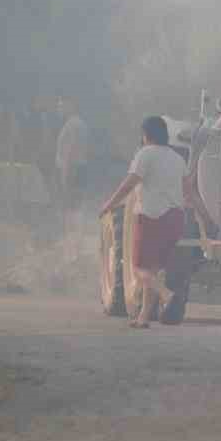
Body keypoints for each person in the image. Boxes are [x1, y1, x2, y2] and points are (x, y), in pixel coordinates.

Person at [101, 115, 188, 328]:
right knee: (153, 270)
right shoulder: (178, 159)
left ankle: (168, 296)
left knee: (139, 268)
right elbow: (189, 190)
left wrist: (109, 205)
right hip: (175, 218)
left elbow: (129, 184)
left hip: (151, 217)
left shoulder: (145, 154)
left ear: (145, 135)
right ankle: (143, 318)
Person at [54, 98, 91, 217]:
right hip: (78, 166)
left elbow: (70, 149)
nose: (58, 109)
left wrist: (66, 172)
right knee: (77, 203)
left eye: (61, 106)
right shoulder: (79, 123)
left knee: (71, 203)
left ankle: (71, 231)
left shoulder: (73, 124)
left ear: (71, 106)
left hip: (72, 168)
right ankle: (76, 230)